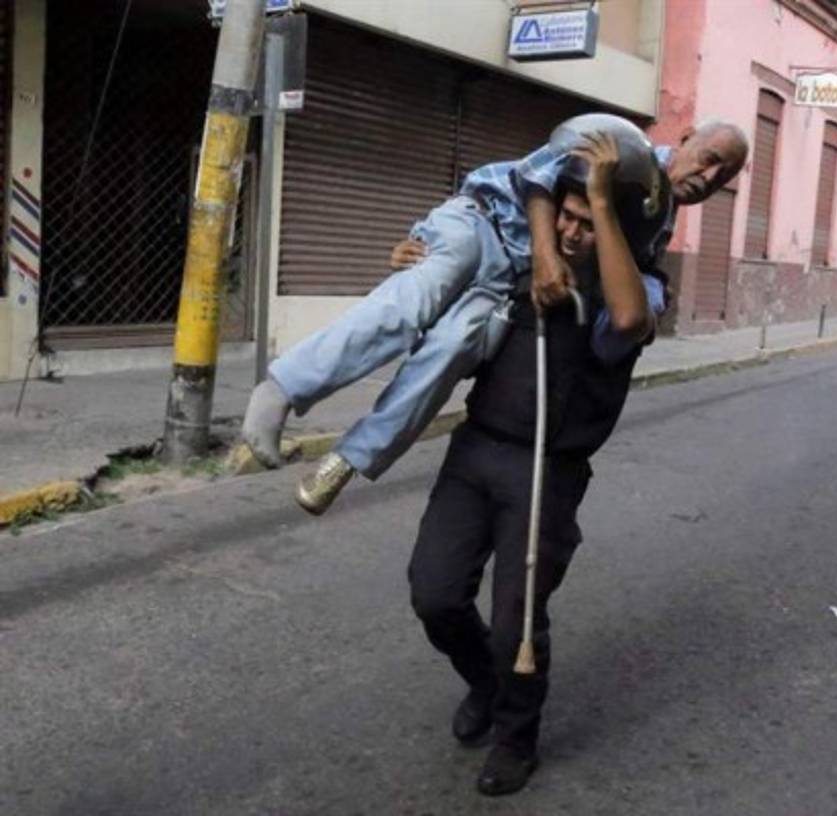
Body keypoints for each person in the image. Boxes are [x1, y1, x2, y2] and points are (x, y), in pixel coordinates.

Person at [241, 117, 749, 514]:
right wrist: (548, 256)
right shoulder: (618, 142)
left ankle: (349, 461)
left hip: (508, 274)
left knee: (453, 348)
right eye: (708, 159)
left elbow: (629, 276)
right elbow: (533, 178)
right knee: (416, 300)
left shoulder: (658, 218)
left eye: (722, 176)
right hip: (483, 223)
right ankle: (283, 388)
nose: (708, 178)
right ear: (685, 137)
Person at [407, 136, 667, 796]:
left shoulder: (631, 291)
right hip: (476, 451)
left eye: (590, 222)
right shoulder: (518, 261)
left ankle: (516, 738)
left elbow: (631, 320)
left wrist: (604, 202)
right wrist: (416, 262)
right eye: (569, 219)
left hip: (549, 472)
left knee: (518, 619)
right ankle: (489, 687)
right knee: (434, 594)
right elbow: (442, 299)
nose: (575, 234)